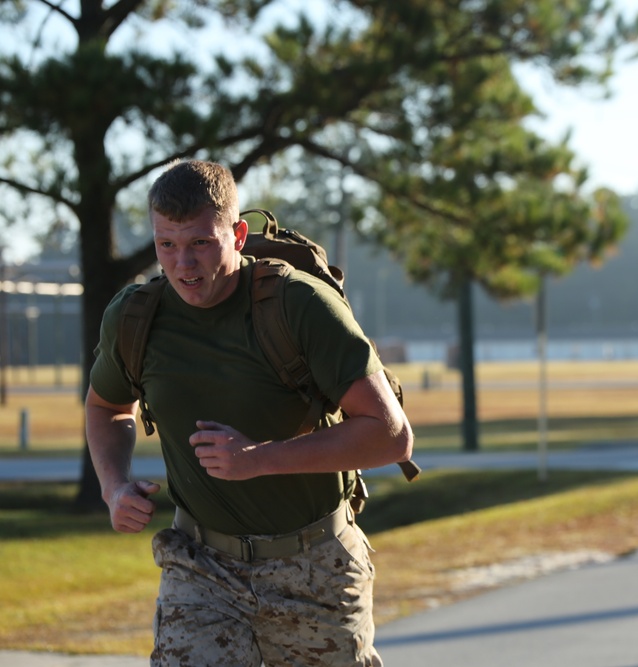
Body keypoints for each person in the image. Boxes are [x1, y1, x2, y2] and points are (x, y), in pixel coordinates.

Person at [85, 160, 413, 666]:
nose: (183, 264)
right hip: (200, 569)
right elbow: (107, 406)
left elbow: (390, 436)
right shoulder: (135, 318)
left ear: (238, 234)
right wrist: (113, 484)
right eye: (166, 245)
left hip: (314, 566)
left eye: (200, 243)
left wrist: (259, 458)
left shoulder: (300, 306)